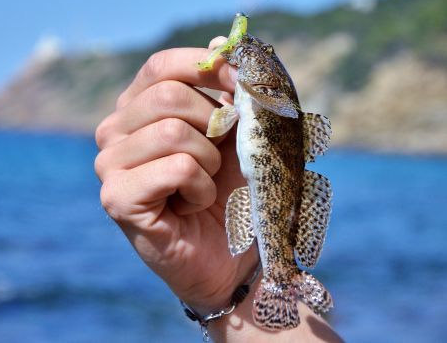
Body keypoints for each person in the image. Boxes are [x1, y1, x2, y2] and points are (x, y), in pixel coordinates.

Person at [94, 36, 343, 342]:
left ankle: (281, 278)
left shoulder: (268, 100)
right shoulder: (266, 101)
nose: (258, 53)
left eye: (266, 54)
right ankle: (279, 279)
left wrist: (229, 286)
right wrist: (225, 289)